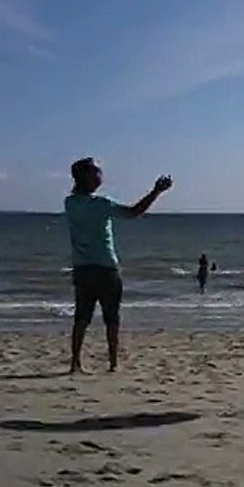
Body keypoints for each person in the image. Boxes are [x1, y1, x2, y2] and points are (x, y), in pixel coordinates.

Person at [64, 157, 172, 374]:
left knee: (82, 317)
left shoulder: (70, 203)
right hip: (105, 267)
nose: (100, 175)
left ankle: (76, 362)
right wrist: (156, 192)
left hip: (83, 268)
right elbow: (134, 212)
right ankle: (113, 363)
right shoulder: (101, 204)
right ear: (85, 176)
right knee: (111, 317)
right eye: (96, 172)